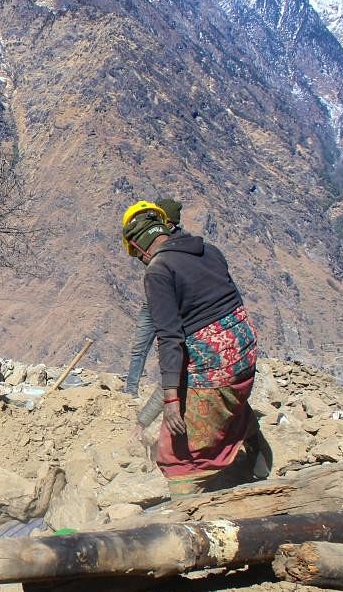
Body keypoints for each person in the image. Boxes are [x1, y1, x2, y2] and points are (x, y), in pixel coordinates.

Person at [121, 205, 259, 496]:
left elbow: (170, 340)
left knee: (176, 453)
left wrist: (172, 403)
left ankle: (186, 516)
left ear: (137, 246)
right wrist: (144, 419)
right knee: (233, 410)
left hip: (216, 367)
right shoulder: (208, 250)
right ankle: (257, 462)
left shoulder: (158, 271)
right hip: (245, 352)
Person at [123, 198, 182, 396]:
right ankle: (130, 390)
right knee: (139, 346)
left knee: (172, 348)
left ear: (170, 224)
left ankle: (171, 393)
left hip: (174, 304)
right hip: (153, 301)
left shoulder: (178, 244)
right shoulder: (155, 240)